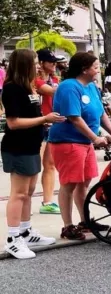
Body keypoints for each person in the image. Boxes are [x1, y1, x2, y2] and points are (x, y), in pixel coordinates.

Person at [47, 52, 111, 240]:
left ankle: (85, 221)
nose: (98, 70)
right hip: (68, 142)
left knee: (84, 182)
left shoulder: (92, 87)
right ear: (84, 69)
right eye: (95, 67)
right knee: (68, 184)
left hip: (85, 142)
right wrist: (95, 138)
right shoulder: (69, 87)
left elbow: (101, 115)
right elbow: (74, 118)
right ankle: (67, 226)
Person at [2, 49, 64, 259]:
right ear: (24, 64)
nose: (38, 66)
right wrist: (44, 119)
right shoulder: (11, 89)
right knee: (18, 193)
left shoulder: (29, 86)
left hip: (31, 145)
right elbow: (13, 122)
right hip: (17, 146)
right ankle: (12, 238)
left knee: (28, 191)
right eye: (35, 62)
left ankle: (25, 231)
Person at [34, 50, 62, 215]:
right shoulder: (34, 80)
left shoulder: (55, 79)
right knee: (33, 166)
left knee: (49, 165)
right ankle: (25, 198)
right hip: (38, 124)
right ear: (42, 62)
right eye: (51, 61)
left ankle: (48, 201)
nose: (54, 64)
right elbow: (50, 91)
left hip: (52, 124)